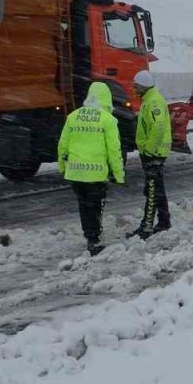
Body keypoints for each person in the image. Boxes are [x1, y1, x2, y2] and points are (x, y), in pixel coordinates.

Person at [58, 82, 125, 256]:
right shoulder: (107, 119)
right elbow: (114, 151)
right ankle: (95, 241)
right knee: (95, 206)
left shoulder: (73, 116)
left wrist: (62, 168)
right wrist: (119, 175)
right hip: (95, 174)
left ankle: (90, 236)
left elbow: (62, 146)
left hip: (75, 173)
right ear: (107, 97)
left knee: (84, 205)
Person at [127, 70, 172, 239]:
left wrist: (149, 149)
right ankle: (164, 221)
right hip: (153, 152)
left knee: (152, 190)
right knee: (157, 189)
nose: (134, 89)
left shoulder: (153, 102)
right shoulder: (150, 99)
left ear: (144, 86)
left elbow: (158, 126)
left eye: (136, 86)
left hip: (154, 153)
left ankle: (146, 228)